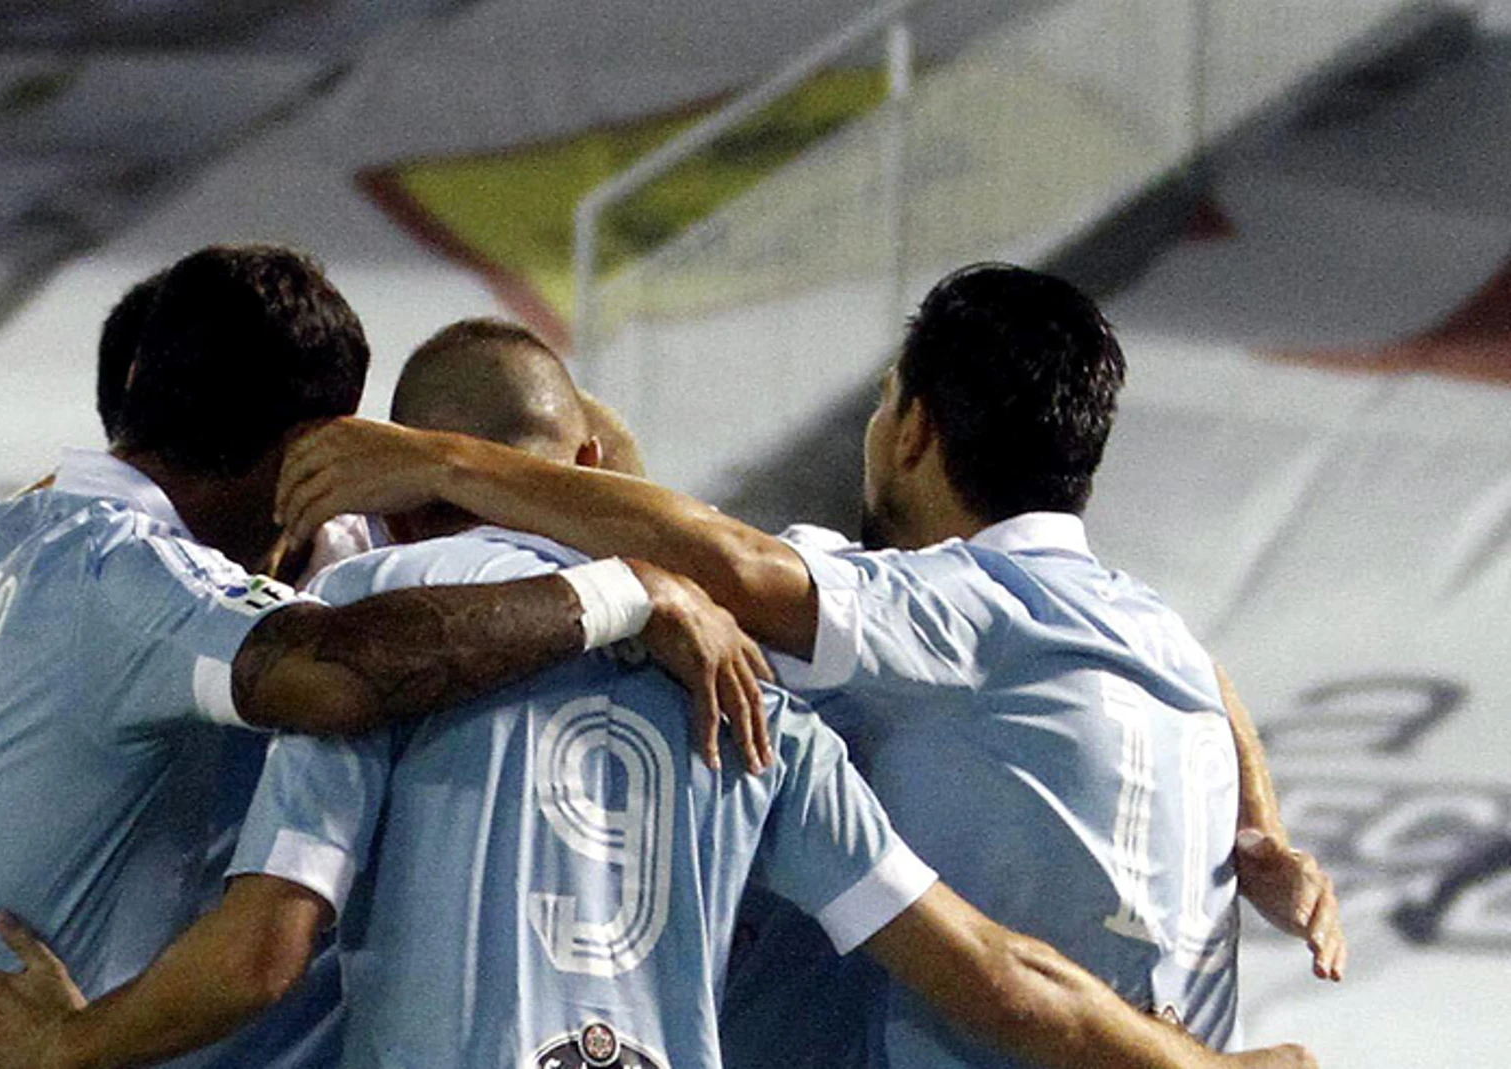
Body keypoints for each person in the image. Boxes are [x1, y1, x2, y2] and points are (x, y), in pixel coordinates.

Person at [0, 317, 1316, 1069]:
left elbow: (266, 949)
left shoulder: (366, 628)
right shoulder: (758, 690)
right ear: (586, 460)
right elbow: (996, 973)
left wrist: (71, 1044)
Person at [269, 268, 1347, 1062]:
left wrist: (441, 458)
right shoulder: (1142, 624)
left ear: (915, 430)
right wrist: (1266, 829)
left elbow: (733, 561)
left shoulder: (935, 612)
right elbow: (1211, 679)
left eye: (882, 405)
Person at [0, 248, 772, 1069]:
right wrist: (629, 591)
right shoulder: (141, 583)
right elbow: (334, 676)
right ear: (312, 446)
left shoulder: (1, 540)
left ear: (139, 381)